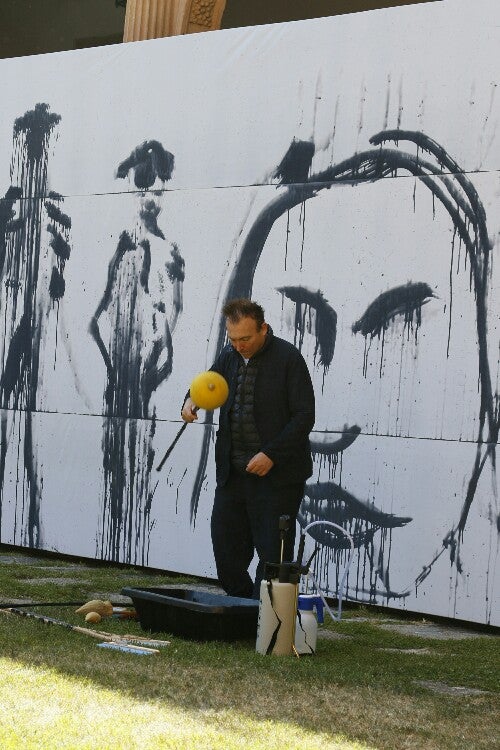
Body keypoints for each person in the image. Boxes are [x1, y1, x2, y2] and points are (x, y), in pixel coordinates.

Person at [181, 298, 315, 598]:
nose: (239, 345)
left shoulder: (288, 358)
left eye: (245, 339)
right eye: (233, 339)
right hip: (233, 473)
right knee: (225, 546)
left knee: (272, 552)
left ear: (263, 329)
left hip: (277, 477)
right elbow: (207, 384)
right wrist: (190, 401)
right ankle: (241, 607)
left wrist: (272, 455)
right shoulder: (229, 356)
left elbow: (305, 415)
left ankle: (263, 617)